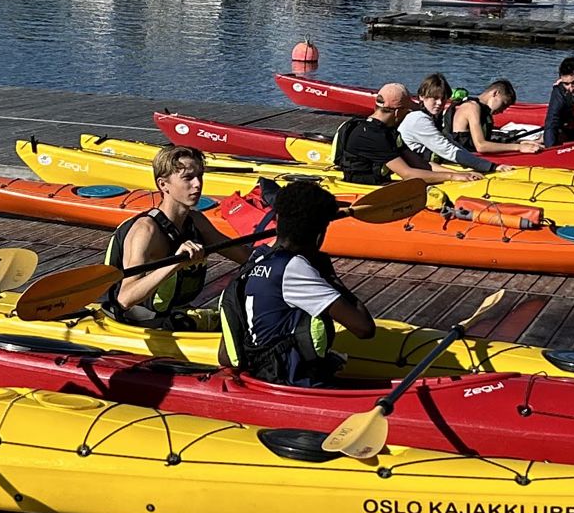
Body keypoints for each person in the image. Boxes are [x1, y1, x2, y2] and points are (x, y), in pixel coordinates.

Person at [219, 180, 376, 384]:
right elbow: (364, 328)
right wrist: (328, 275)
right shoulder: (295, 269)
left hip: (262, 368)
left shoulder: (259, 255)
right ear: (319, 235)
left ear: (278, 218)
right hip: (289, 382)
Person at [108, 144, 249, 325]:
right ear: (163, 185)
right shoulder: (146, 231)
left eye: (200, 176)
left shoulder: (196, 221)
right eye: (188, 178)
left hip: (174, 313)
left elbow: (244, 256)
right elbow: (125, 298)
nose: (197, 184)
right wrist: (176, 263)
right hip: (135, 319)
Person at [330, 81, 480, 184]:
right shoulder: (370, 135)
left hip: (381, 184)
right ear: (397, 112)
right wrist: (452, 176)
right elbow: (407, 174)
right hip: (364, 189)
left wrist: (461, 175)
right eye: (407, 111)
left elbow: (420, 164)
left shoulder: (389, 132)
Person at [396, 75, 497, 176]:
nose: (439, 103)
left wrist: (480, 162)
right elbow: (447, 149)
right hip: (412, 168)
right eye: (435, 98)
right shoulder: (418, 119)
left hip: (426, 164)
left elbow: (450, 142)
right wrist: (490, 167)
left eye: (443, 99)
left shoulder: (433, 117)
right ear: (422, 97)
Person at [447, 78, 548, 157]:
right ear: (495, 93)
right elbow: (481, 146)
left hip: (472, 152)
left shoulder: (482, 110)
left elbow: (486, 141)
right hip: (463, 156)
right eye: (504, 104)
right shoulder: (471, 107)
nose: (503, 110)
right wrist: (519, 147)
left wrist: (523, 143)